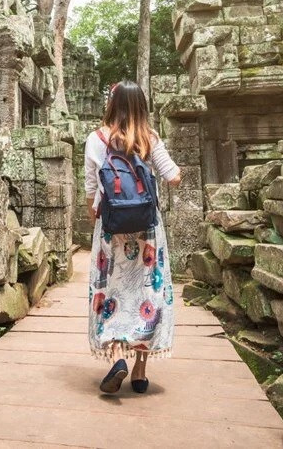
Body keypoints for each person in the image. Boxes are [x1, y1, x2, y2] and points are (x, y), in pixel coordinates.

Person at [84, 79, 182, 395]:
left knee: (111, 294)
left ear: (111, 105)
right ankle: (140, 373)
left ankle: (117, 358)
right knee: (146, 296)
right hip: (148, 233)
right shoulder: (148, 139)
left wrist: (97, 218)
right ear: (142, 106)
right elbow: (174, 177)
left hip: (111, 230)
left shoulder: (95, 139)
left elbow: (90, 191)